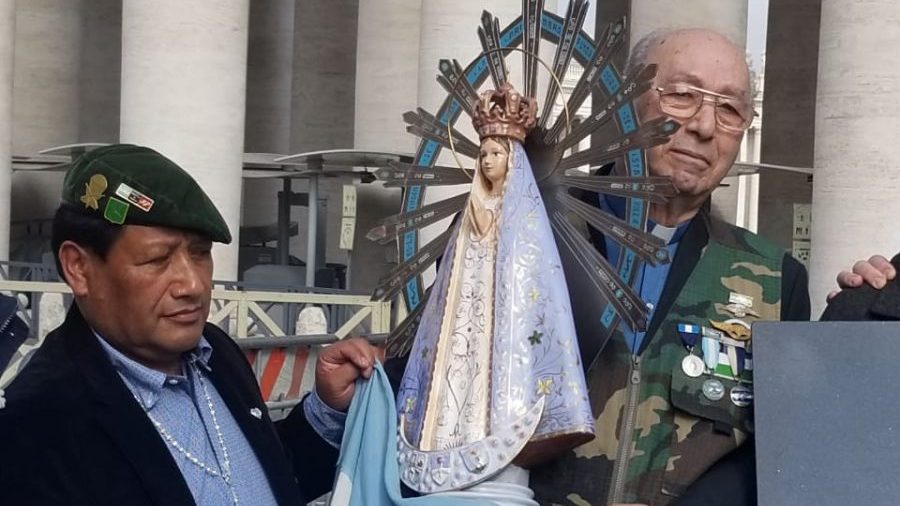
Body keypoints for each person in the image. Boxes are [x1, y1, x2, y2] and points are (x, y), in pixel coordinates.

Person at [0, 144, 379, 506]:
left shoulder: (215, 352)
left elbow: (264, 478)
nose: (193, 285)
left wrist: (326, 410)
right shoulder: (39, 422)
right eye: (157, 260)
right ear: (79, 268)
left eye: (200, 255)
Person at [528, 28, 811, 506]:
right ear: (625, 102)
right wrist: (361, 389)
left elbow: (788, 455)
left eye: (730, 108)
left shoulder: (774, 282)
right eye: (681, 95)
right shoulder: (532, 229)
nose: (704, 126)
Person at [394, 84, 594, 502]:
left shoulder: (527, 220)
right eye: (483, 154)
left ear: (513, 159)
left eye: (496, 154)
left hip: (507, 323)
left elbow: (534, 279)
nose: (487, 161)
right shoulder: (471, 213)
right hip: (467, 315)